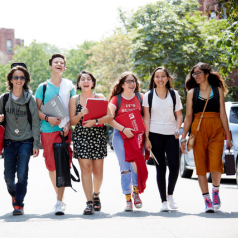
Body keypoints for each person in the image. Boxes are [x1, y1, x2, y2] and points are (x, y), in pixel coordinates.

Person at [180, 62, 232, 213]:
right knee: (200, 165)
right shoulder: (191, 93)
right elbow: (188, 117)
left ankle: (215, 192)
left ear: (207, 74)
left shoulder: (218, 90)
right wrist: (184, 138)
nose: (195, 76)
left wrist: (228, 136)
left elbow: (223, 114)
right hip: (198, 129)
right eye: (193, 74)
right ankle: (207, 199)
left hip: (216, 128)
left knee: (216, 163)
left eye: (198, 73)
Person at [35, 54, 76, 215]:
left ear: (64, 67)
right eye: (55, 62)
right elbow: (36, 111)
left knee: (63, 165)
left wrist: (68, 124)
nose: (59, 64)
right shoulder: (42, 87)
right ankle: (59, 195)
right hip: (47, 130)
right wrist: (48, 118)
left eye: (62, 62)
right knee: (51, 166)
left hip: (64, 131)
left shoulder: (69, 87)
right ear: (50, 66)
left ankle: (59, 201)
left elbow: (72, 111)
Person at [69, 70, 112, 215]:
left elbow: (110, 117)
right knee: (85, 169)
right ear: (79, 83)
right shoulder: (74, 99)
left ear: (92, 83)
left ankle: (96, 194)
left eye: (88, 79)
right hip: (81, 137)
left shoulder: (100, 97)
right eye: (83, 79)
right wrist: (81, 114)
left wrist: (96, 121)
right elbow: (72, 122)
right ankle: (89, 203)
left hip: (98, 137)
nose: (86, 81)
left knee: (98, 172)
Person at [0, 64, 40, 215]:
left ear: (25, 80)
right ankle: (14, 194)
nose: (18, 80)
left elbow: (35, 122)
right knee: (8, 177)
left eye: (21, 77)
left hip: (26, 141)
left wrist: (36, 143)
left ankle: (19, 204)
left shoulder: (30, 99)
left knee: (22, 174)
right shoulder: (4, 98)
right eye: (15, 77)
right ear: (10, 79)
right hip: (9, 141)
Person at [143, 67, 183, 212]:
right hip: (155, 134)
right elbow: (146, 118)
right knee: (160, 168)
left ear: (167, 78)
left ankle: (170, 194)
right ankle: (163, 201)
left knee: (174, 166)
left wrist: (178, 128)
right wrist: (146, 138)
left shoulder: (174, 94)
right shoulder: (148, 95)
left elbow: (179, 115)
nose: (160, 79)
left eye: (163, 76)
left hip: (172, 134)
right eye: (157, 76)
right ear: (153, 79)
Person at [108, 71, 146, 212]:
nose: (132, 84)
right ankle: (128, 199)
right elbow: (109, 118)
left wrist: (146, 138)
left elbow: (146, 117)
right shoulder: (115, 99)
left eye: (133, 81)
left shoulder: (141, 97)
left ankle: (136, 193)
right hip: (120, 136)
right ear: (122, 84)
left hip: (137, 136)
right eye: (128, 81)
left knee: (136, 165)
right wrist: (123, 129)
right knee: (125, 167)